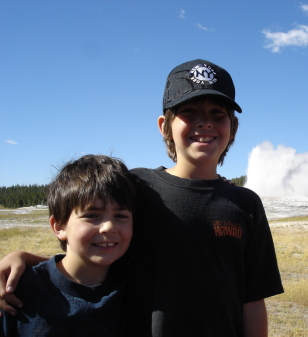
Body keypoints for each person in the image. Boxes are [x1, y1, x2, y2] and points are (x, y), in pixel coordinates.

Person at [0, 59, 283, 337]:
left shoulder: (247, 204)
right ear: (164, 126)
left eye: (217, 112)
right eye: (189, 111)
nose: (205, 123)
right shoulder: (137, 186)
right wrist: (24, 259)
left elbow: (253, 299)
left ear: (233, 126)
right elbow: (92, 256)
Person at [0, 155, 136, 336]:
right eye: (92, 215)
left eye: (121, 216)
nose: (109, 227)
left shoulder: (136, 289)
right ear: (59, 226)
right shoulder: (16, 291)